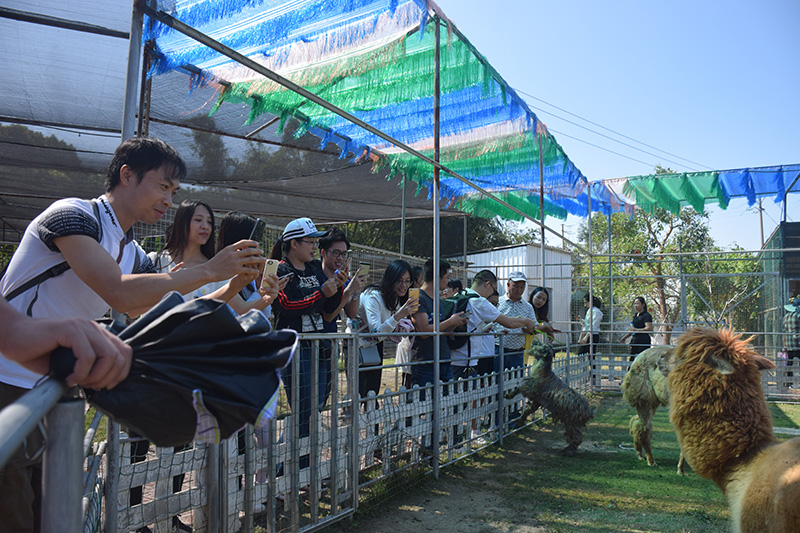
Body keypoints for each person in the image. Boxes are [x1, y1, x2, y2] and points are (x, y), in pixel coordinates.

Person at [0, 137, 264, 533]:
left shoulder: (131, 250)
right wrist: (211, 270)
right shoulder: (73, 215)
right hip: (8, 383)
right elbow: (119, 291)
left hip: (54, 388)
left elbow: (159, 307)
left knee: (52, 514)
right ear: (127, 175)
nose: (169, 200)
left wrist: (231, 286)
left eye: (174, 192)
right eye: (163, 186)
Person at [270, 217, 346, 471]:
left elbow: (328, 311)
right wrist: (320, 293)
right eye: (310, 242)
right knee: (303, 408)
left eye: (315, 241)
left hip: (318, 346)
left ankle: (298, 467)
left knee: (315, 407)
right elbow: (285, 306)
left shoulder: (314, 268)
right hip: (293, 347)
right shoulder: (279, 269)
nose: (315, 246)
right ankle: (289, 469)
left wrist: (339, 289)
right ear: (293, 244)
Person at [452, 270, 539, 441]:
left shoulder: (462, 296)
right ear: (487, 285)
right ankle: (460, 437)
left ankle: (456, 436)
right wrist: (525, 321)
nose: (492, 293)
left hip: (455, 356)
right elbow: (509, 322)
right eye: (492, 288)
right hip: (470, 358)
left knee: (455, 397)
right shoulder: (480, 301)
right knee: (467, 397)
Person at [0, 297, 131, 390]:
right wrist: (9, 327)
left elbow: (132, 308)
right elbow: (118, 292)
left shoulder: (134, 258)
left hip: (68, 369)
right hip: (13, 378)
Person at [355, 260, 418, 399]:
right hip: (357, 346)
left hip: (375, 345)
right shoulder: (373, 296)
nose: (404, 286)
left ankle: (371, 419)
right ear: (391, 279)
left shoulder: (395, 298)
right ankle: (354, 419)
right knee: (358, 393)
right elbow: (377, 332)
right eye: (399, 281)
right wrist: (399, 315)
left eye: (407, 281)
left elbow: (383, 332)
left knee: (372, 393)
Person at [318, 228, 362, 408]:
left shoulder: (344, 279)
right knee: (312, 401)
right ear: (323, 252)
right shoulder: (315, 276)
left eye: (344, 254)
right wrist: (347, 291)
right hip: (312, 343)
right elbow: (328, 316)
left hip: (329, 345)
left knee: (324, 395)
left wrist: (356, 288)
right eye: (336, 253)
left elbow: (351, 313)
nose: (340, 258)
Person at [493, 271, 537, 372]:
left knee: (516, 382)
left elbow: (533, 326)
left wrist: (530, 330)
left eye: (522, 287)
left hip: (517, 352)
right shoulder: (497, 302)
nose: (519, 290)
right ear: (508, 284)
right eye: (516, 286)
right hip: (498, 349)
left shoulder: (528, 307)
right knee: (495, 381)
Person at [392, 265, 423, 391]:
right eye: (421, 279)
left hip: (413, 344)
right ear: (415, 281)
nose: (423, 282)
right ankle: (404, 401)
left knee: (411, 376)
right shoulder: (406, 297)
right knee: (407, 377)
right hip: (407, 342)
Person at [620, 296, 653, 361]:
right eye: (634, 303)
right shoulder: (635, 315)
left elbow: (648, 328)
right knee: (632, 359)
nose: (635, 305)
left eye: (637, 303)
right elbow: (632, 329)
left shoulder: (646, 315)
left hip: (643, 341)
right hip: (635, 340)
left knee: (641, 360)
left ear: (643, 305)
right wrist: (624, 338)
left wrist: (637, 330)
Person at [783, 296, 800, 391]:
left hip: (788, 345)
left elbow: (783, 333)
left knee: (789, 364)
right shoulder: (798, 315)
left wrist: (784, 346)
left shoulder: (786, 317)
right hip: (798, 344)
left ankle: (788, 383)